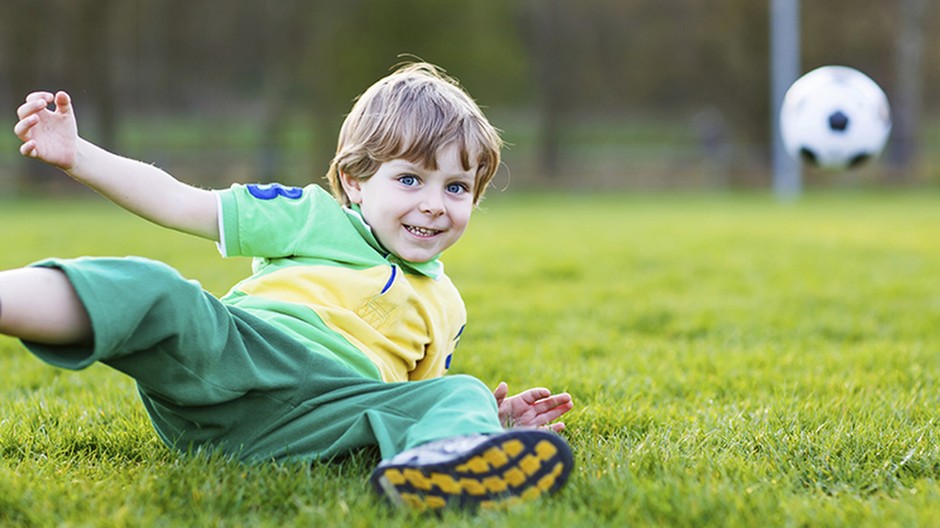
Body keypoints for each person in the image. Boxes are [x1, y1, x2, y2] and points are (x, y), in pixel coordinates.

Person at [6, 63, 574, 511]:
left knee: (462, 390)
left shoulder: (446, 306)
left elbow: (411, 402)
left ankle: (455, 465)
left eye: (456, 188)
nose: (433, 204)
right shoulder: (311, 216)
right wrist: (79, 156)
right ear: (354, 181)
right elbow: (180, 202)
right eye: (409, 179)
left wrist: (487, 420)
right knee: (153, 288)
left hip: (326, 416)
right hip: (239, 358)